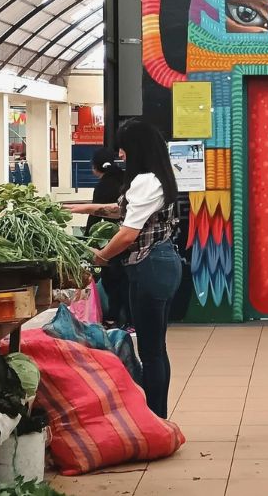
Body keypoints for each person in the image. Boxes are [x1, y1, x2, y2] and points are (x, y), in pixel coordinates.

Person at [70, 120, 181, 418]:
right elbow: (126, 210)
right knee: (156, 347)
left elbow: (128, 233)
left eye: (123, 147)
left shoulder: (146, 181)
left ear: (137, 149)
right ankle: (158, 415)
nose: (120, 153)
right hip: (160, 264)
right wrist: (87, 208)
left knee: (152, 350)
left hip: (151, 268)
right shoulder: (158, 177)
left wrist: (101, 256)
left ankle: (157, 417)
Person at [85, 148, 131, 329]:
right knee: (124, 280)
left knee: (112, 280)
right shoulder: (124, 178)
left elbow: (97, 213)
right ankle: (127, 320)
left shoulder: (103, 185)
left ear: (95, 167)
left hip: (110, 241)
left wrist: (89, 240)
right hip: (127, 239)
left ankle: (113, 318)